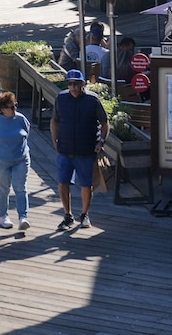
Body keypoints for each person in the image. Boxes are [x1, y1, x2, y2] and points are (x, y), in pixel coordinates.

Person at [51, 69, 108, 229]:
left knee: (86, 184)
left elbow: (105, 123)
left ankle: (84, 215)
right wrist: (54, 140)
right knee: (62, 183)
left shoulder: (92, 100)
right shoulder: (61, 98)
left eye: (76, 84)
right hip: (65, 149)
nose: (73, 87)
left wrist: (101, 141)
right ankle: (67, 215)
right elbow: (54, 121)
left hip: (86, 150)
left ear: (83, 83)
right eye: (70, 84)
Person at [0, 91, 32, 230]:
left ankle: (23, 217)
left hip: (20, 159)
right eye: (11, 107)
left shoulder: (21, 119)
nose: (14, 109)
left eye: (15, 105)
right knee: (3, 189)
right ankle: (3, 216)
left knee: (20, 188)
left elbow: (26, 134)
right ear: (2, 108)